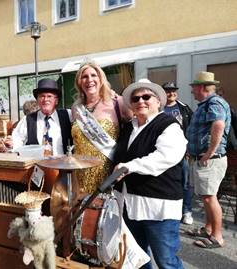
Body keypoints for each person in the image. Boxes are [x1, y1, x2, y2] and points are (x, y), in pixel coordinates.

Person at [114, 78, 187, 269]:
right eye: (136, 98)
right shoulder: (129, 127)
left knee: (166, 261)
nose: (140, 101)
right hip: (130, 205)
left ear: (158, 101)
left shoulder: (169, 125)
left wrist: (130, 166)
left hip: (158, 207)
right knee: (138, 259)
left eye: (146, 96)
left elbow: (166, 156)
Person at [71, 62, 131, 193]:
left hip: (107, 175)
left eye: (94, 75)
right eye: (84, 76)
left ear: (101, 79)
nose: (89, 80)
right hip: (80, 174)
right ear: (79, 82)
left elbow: (137, 129)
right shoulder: (76, 108)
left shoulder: (117, 102)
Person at [186, 71, 230, 249]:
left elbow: (218, 124)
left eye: (194, 87)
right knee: (206, 197)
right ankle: (208, 229)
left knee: (210, 198)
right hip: (205, 159)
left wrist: (209, 152)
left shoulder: (214, 102)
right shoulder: (207, 103)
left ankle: (217, 237)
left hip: (210, 160)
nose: (192, 91)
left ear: (202, 87)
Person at [11, 78, 72, 156]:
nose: (45, 99)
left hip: (64, 166)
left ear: (56, 101)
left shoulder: (68, 115)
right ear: (37, 100)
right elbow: (17, 140)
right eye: (42, 96)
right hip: (37, 167)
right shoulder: (27, 120)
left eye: (49, 96)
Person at [162, 81, 194, 225]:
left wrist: (189, 148)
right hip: (163, 152)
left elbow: (192, 128)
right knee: (165, 181)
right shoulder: (158, 108)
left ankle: (186, 211)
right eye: (168, 91)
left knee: (185, 182)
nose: (171, 93)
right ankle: (168, 211)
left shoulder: (184, 108)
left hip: (183, 152)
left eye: (174, 90)